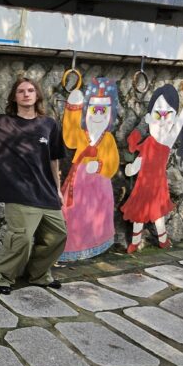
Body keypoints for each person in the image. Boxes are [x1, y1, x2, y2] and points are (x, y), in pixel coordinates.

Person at [0, 76, 67, 294]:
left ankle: (38, 275)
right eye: (21, 91)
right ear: (14, 97)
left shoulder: (49, 124)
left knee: (57, 236)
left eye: (30, 90)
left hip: (46, 191)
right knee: (22, 239)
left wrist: (57, 188)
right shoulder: (2, 123)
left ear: (37, 95)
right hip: (18, 192)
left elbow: (54, 160)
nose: (26, 94)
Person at [122, 83, 183, 253]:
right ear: (149, 117)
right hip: (142, 185)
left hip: (157, 186)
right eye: (158, 114)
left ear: (173, 117)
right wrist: (132, 168)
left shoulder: (167, 142)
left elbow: (180, 121)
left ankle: (163, 239)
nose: (162, 120)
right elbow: (140, 160)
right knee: (138, 215)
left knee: (158, 216)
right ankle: (135, 241)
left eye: (167, 114)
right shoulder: (147, 142)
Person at [59, 77, 119, 262]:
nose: (98, 115)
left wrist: (100, 165)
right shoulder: (82, 134)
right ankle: (70, 250)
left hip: (100, 188)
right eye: (94, 109)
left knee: (96, 218)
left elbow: (113, 163)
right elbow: (69, 137)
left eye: (104, 110)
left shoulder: (108, 139)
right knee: (73, 215)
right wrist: (72, 108)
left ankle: (96, 245)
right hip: (79, 184)